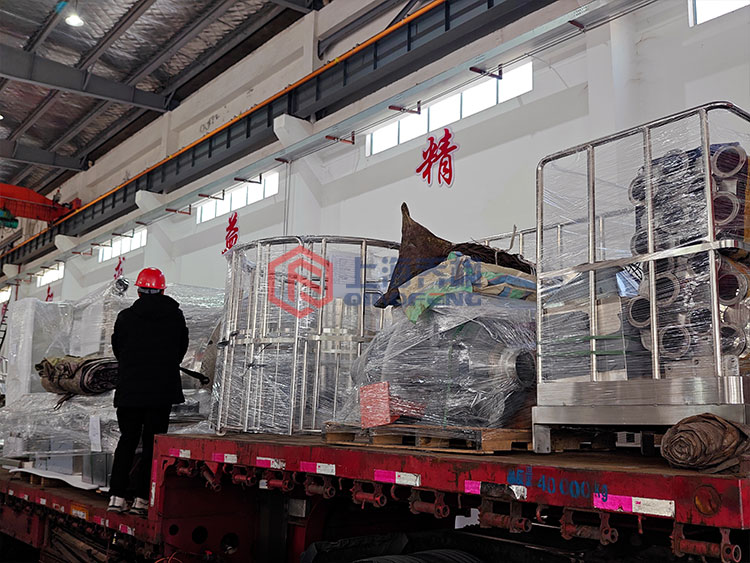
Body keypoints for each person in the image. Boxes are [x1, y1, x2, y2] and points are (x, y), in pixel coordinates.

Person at [108, 267, 189, 515]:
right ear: (162, 290)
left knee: (127, 441)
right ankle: (142, 499)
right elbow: (180, 350)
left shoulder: (125, 317)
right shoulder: (175, 316)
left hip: (130, 391)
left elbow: (118, 350)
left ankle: (117, 498)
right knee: (153, 445)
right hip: (160, 392)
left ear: (139, 291)